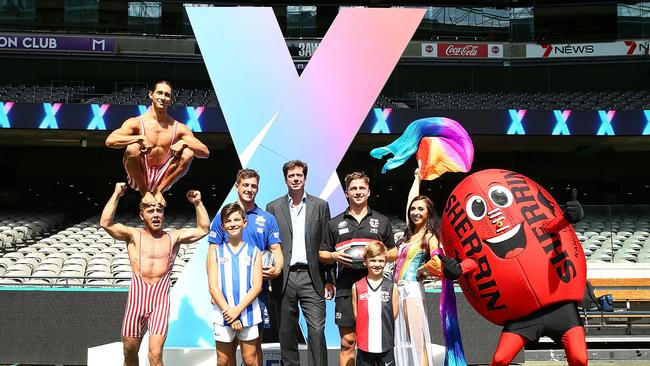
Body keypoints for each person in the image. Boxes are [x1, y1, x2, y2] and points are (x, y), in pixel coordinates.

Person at [99, 182, 209, 366]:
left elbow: (203, 229)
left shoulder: (173, 237)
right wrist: (116, 194)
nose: (156, 214)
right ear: (142, 215)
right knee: (130, 351)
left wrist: (198, 203)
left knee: (156, 355)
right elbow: (105, 223)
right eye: (151, 211)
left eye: (159, 211)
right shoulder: (133, 235)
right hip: (137, 299)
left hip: (160, 301)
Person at [208, 168, 284, 365]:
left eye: (253, 186)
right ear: (237, 186)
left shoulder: (266, 218)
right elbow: (211, 256)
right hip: (224, 298)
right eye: (246, 185)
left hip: (255, 296)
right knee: (225, 357)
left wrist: (277, 269)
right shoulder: (222, 217)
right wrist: (216, 292)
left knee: (253, 352)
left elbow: (276, 250)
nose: (249, 189)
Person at [319, 171, 395, 366]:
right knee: (348, 342)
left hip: (376, 289)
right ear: (346, 193)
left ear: (369, 191)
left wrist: (374, 256)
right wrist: (335, 256)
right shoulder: (335, 223)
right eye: (353, 188)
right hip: (345, 288)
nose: (358, 192)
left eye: (362, 188)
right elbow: (322, 254)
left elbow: (394, 253)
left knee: (377, 344)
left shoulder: (382, 221)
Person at [266, 160, 333, 366]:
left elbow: (326, 243)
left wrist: (329, 280)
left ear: (305, 178)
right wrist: (271, 275)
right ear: (285, 179)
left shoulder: (320, 206)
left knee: (316, 330)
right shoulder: (273, 207)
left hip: (313, 277)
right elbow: (270, 245)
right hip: (284, 277)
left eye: (299, 175)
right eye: (291, 176)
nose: (295, 179)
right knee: (286, 332)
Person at [106, 80, 210, 206]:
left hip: (163, 178)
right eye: (159, 93)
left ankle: (158, 191)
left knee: (188, 152)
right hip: (139, 175)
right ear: (151, 95)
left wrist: (183, 142)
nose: (163, 97)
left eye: (167, 95)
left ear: (170, 99)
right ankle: (145, 192)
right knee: (133, 147)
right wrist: (139, 138)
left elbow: (205, 152)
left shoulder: (178, 127)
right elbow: (110, 141)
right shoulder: (137, 122)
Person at [388, 168, 438, 365]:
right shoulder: (409, 235)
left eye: (421, 209)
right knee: (400, 338)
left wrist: (422, 270)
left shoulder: (429, 236)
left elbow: (438, 260)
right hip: (396, 289)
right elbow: (411, 200)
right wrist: (417, 178)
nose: (415, 212)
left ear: (428, 213)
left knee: (417, 340)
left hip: (411, 290)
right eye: (413, 209)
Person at [207, 203, 263, 366]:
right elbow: (213, 287)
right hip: (223, 313)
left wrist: (237, 311)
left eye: (237, 219)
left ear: (244, 222)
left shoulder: (254, 252)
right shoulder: (215, 252)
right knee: (223, 361)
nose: (233, 224)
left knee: (250, 359)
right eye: (228, 221)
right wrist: (229, 313)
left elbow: (257, 286)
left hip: (248, 313)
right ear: (223, 226)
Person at [352, 241, 399, 366]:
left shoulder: (392, 287)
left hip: (386, 344)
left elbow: (393, 314)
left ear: (386, 261)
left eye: (381, 261)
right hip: (364, 345)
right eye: (372, 260)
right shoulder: (357, 286)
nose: (377, 264)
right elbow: (357, 314)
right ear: (365, 261)